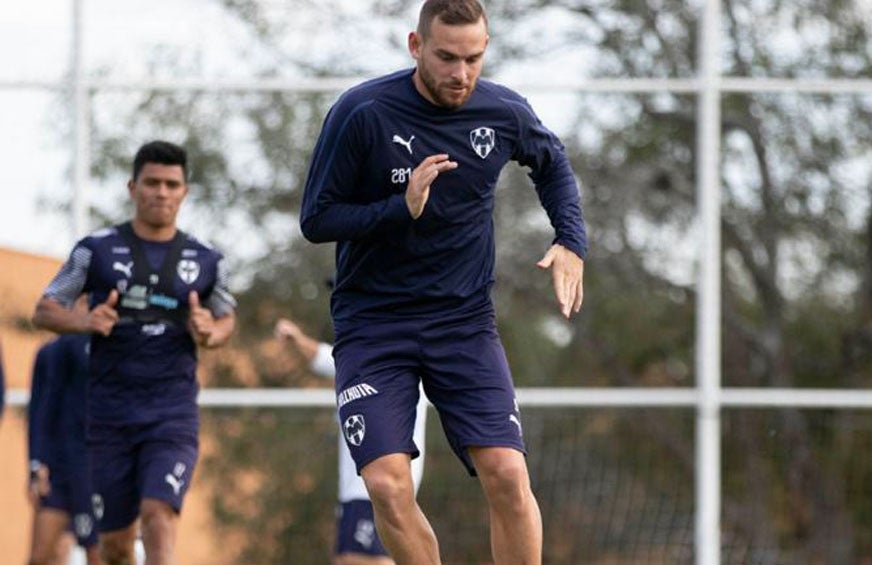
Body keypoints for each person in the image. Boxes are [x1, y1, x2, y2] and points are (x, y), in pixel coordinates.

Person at [299, 1, 587, 562]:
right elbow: (317, 218)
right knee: (385, 484)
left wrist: (571, 240)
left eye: (474, 58)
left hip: (462, 324)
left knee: (506, 472)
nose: (461, 73)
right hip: (373, 326)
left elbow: (551, 164)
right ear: (416, 46)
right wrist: (398, 208)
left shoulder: (503, 110)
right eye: (447, 57)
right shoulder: (363, 112)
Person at [33, 140, 237, 565]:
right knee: (115, 547)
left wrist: (210, 332)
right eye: (152, 183)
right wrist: (85, 322)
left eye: (171, 184)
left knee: (158, 515)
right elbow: (45, 309)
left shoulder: (204, 259)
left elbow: (226, 318)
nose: (161, 192)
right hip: (109, 419)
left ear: (184, 192)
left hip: (171, 415)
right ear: (132, 187)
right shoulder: (96, 250)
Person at [274, 317, 428, 565]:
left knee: (362, 558)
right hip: (359, 490)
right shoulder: (361, 358)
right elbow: (326, 359)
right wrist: (298, 339)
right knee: (350, 558)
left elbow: (324, 358)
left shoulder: (391, 357)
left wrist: (297, 338)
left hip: (376, 486)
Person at [27, 332, 100, 565]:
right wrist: (36, 461)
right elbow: (38, 411)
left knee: (97, 552)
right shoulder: (50, 351)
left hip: (94, 466)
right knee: (41, 555)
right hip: (58, 466)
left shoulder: (109, 342)